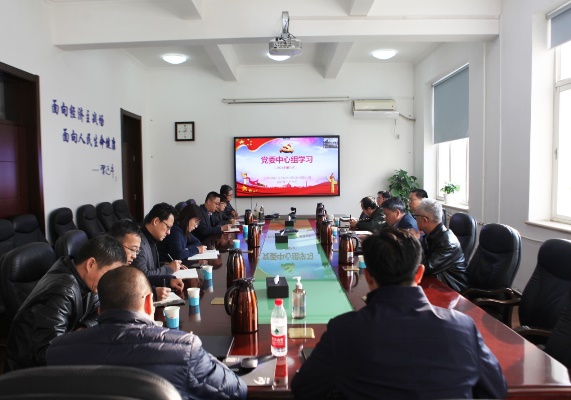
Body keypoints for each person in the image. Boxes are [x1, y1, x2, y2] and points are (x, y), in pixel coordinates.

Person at [291, 227, 507, 399]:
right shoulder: (463, 326)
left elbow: (304, 389)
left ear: (368, 276)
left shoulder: (344, 330)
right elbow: (496, 390)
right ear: (419, 273)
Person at [47, 266, 247, 400]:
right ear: (149, 302)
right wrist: (208, 358)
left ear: (99, 311)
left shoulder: (57, 351)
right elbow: (237, 390)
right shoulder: (185, 348)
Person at [5, 234, 126, 371]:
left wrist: (83, 328)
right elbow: (49, 353)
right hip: (29, 373)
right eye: (109, 274)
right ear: (91, 264)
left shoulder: (84, 277)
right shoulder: (62, 290)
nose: (111, 282)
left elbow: (100, 310)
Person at [110, 219, 183, 301]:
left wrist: (168, 281)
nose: (134, 256)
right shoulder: (108, 269)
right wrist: (153, 294)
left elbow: (138, 281)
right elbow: (120, 298)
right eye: (132, 249)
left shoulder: (123, 267)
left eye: (137, 251)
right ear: (115, 245)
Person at [415, 198, 469, 292]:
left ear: (424, 220)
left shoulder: (447, 242)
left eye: (416, 217)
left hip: (452, 290)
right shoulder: (432, 235)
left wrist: (416, 241)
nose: (415, 220)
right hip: (436, 281)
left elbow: (425, 268)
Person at [132, 202, 185, 276]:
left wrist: (168, 265)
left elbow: (151, 266)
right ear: (156, 221)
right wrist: (169, 269)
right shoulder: (138, 242)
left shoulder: (151, 238)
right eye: (168, 227)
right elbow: (142, 276)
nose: (169, 232)